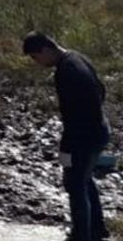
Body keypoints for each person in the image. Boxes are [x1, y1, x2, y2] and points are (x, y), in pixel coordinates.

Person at [22, 33, 110, 241]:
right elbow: (101, 91)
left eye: (35, 57)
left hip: (82, 136)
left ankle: (82, 236)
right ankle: (96, 229)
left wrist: (65, 149)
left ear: (45, 50)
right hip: (98, 130)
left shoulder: (67, 70)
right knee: (84, 180)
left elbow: (73, 115)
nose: (37, 63)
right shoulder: (78, 58)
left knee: (75, 185)